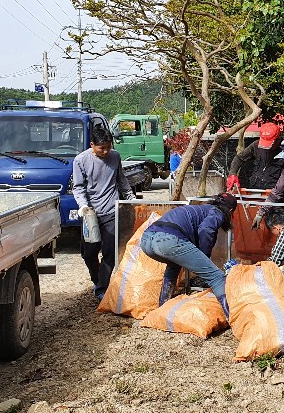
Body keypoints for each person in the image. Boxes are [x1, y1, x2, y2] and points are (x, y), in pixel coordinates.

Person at [139, 193, 237, 317]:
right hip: (167, 240)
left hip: (146, 241)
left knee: (174, 265)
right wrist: (204, 255)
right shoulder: (217, 212)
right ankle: (232, 318)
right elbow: (206, 229)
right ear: (230, 210)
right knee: (216, 277)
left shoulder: (200, 209)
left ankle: (162, 307)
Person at [73, 124, 137, 300]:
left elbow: (121, 180)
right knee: (89, 253)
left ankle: (102, 289)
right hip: (90, 214)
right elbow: (78, 188)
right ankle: (97, 279)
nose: (106, 151)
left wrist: (130, 198)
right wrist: (84, 206)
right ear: (92, 145)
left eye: (109, 147)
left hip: (111, 210)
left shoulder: (115, 157)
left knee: (110, 251)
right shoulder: (80, 160)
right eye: (102, 148)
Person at [226, 122, 284, 191]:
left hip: (275, 191)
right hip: (255, 188)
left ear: (278, 139)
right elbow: (239, 158)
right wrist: (232, 174)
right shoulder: (256, 145)